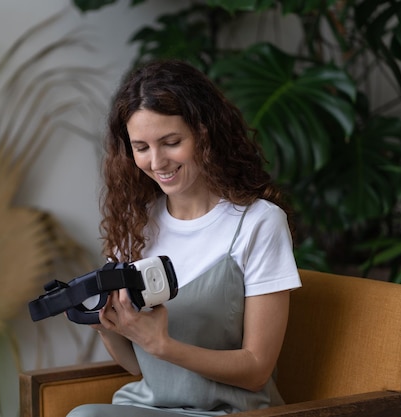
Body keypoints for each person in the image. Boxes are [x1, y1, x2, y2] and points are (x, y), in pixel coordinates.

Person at [67, 59, 301, 417]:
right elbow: (135, 366)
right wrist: (104, 322)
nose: (157, 161)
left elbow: (257, 371)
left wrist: (162, 345)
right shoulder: (136, 225)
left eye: (171, 142)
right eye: (141, 147)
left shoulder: (258, 223)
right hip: (149, 407)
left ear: (205, 134)